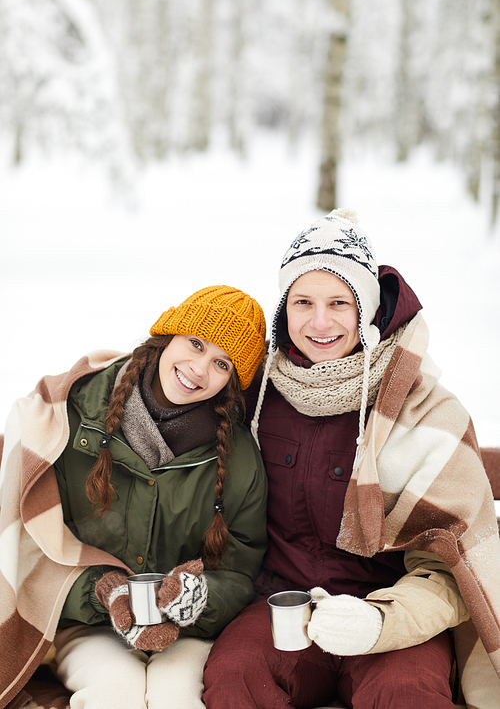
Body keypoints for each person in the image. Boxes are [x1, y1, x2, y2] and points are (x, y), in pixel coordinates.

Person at [203, 210, 500, 709]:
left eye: (339, 302)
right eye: (303, 302)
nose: (320, 323)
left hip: (390, 611)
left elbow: (454, 563)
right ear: (283, 311)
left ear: (365, 309)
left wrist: (380, 620)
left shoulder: (422, 407)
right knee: (236, 678)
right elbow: (168, 392)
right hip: (282, 605)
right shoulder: (253, 396)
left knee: (407, 695)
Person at [0, 285, 268, 709]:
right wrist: (102, 593)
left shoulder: (239, 459)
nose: (199, 369)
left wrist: (196, 599)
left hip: (188, 630)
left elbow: (239, 569)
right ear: (168, 335)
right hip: (90, 624)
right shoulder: (70, 415)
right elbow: (26, 544)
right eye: (195, 344)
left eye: (221, 363)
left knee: (175, 699)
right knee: (114, 694)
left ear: (233, 381)